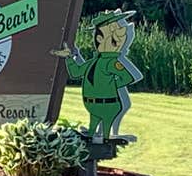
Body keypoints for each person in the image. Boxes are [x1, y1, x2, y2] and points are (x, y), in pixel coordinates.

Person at [52, 10, 143, 142]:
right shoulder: (94, 62)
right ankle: (92, 133)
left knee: (105, 126)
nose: (118, 40)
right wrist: (70, 58)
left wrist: (110, 87)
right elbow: (76, 73)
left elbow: (129, 77)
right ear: (99, 39)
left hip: (108, 104)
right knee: (94, 123)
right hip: (93, 105)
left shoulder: (111, 62)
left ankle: (105, 137)